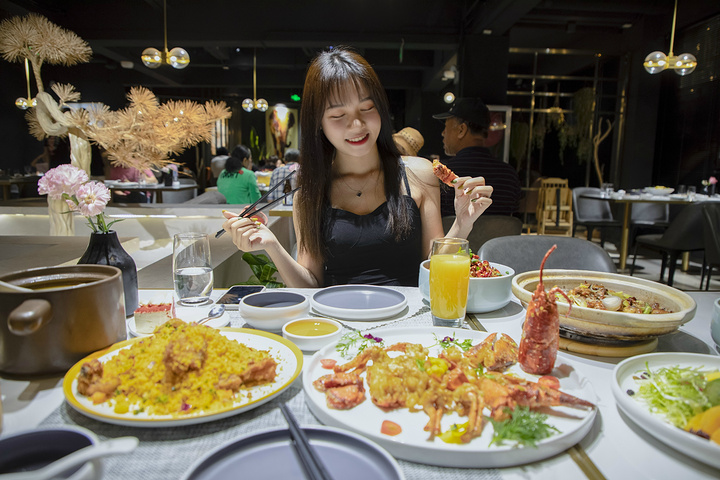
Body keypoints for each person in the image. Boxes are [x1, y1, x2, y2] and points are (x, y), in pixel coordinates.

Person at [222, 47, 492, 287]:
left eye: (367, 108)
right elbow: (310, 284)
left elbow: (434, 270)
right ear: (319, 123)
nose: (357, 125)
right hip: (338, 320)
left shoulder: (419, 174)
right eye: (338, 115)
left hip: (408, 319)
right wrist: (271, 245)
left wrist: (462, 224)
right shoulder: (310, 193)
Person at [433, 97, 521, 217]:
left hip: (453, 230)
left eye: (446, 127)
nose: (443, 133)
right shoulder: (510, 175)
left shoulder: (440, 173)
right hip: (496, 231)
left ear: (461, 130)